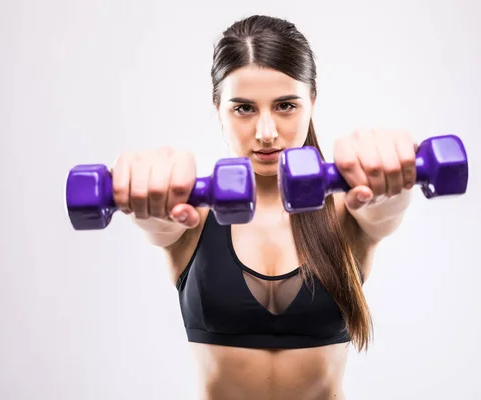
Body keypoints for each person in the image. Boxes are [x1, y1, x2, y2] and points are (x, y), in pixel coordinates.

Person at [111, 14, 416, 400]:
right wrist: (144, 186)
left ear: (312, 102)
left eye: (286, 105)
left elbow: (385, 209)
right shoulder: (190, 217)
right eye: (244, 109)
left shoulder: (347, 210)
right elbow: (156, 221)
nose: (266, 132)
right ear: (218, 108)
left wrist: (394, 175)